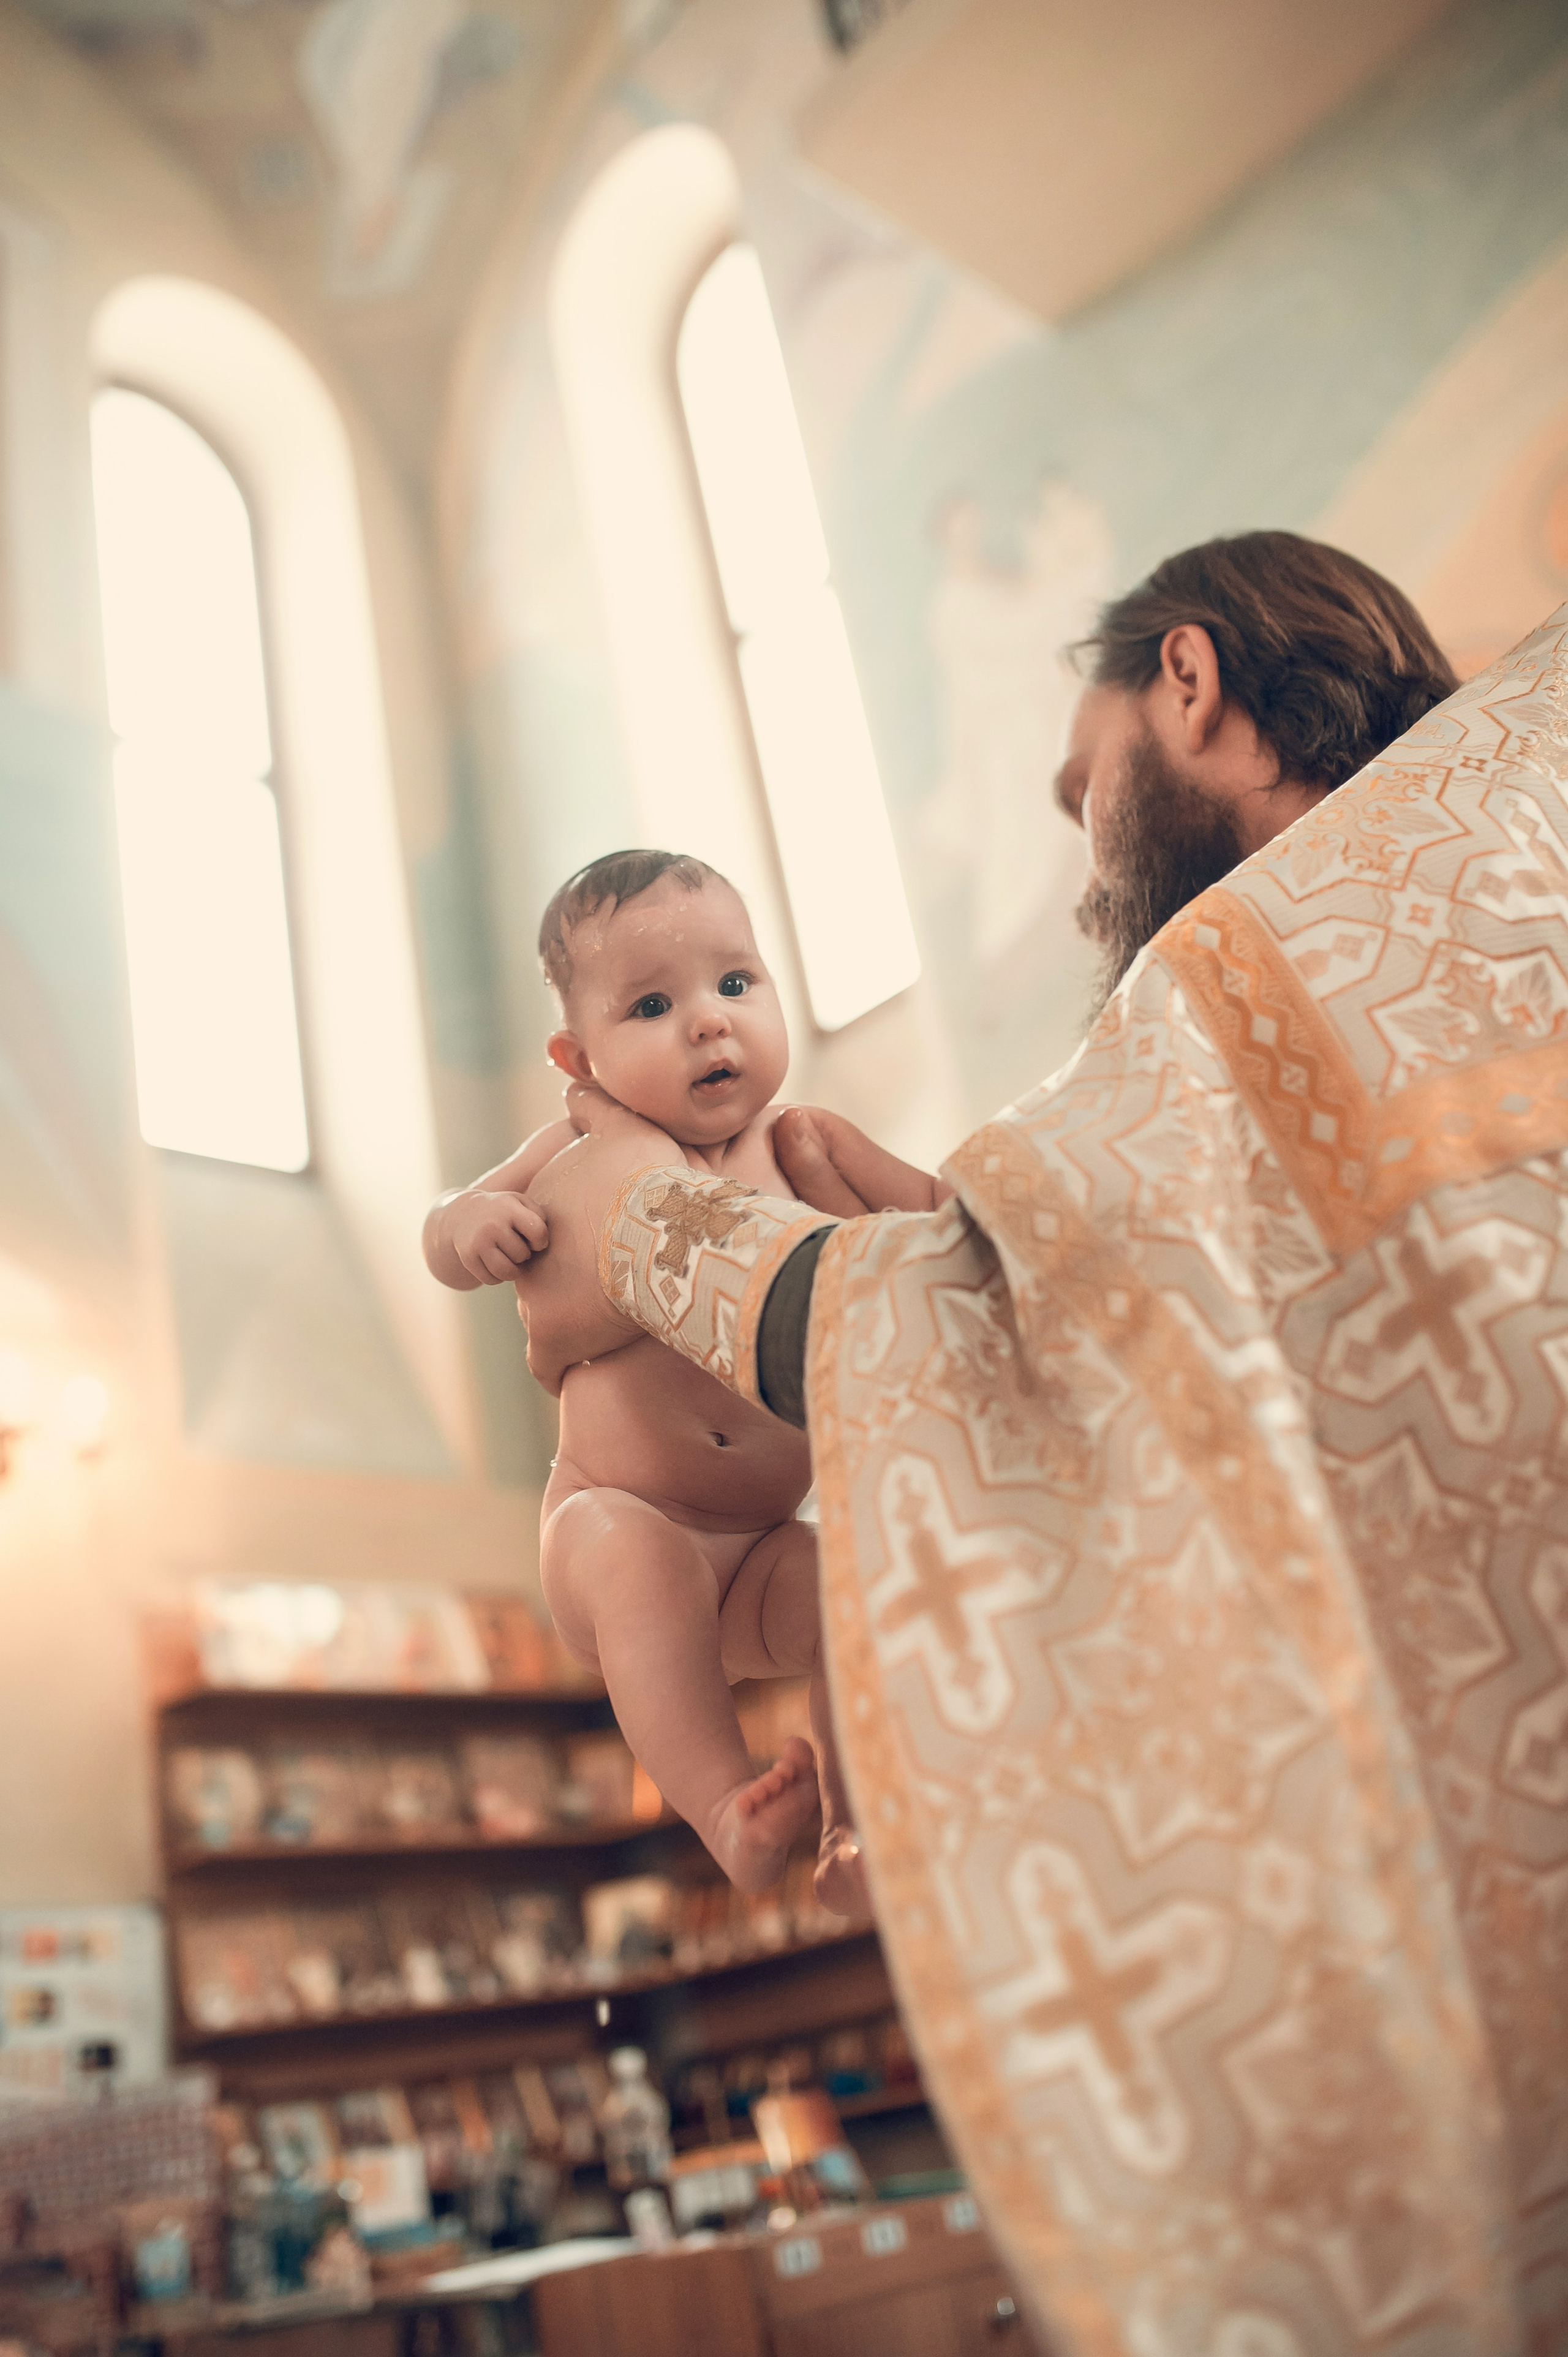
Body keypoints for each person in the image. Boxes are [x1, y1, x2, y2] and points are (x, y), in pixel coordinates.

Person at [512, 531, 1568, 2353]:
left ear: (1191, 684)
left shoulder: (1233, 987)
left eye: (1084, 786)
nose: (1085, 843)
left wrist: (632, 1215)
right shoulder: (1523, 805)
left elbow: (971, 1323)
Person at [423, 850, 876, 1908]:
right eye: (654, 1005)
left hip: (761, 1545)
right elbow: (444, 1232)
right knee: (638, 1555)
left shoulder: (798, 1151)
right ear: (579, 1057)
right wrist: (468, 1224)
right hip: (616, 1519)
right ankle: (727, 1814)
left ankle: (853, 1829)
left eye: (735, 984)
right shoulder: (585, 1134)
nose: (709, 1023)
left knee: (858, 1591)